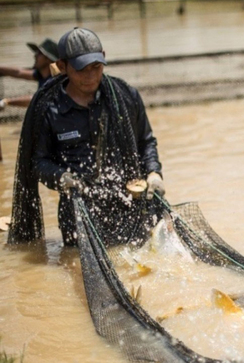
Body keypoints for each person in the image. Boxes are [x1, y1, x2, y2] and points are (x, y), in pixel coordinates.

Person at [8, 27, 165, 246]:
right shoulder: (48, 109)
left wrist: (154, 172)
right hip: (78, 216)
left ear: (104, 57)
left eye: (96, 67)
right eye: (81, 69)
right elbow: (38, 162)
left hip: (129, 205)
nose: (91, 76)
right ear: (62, 66)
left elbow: (145, 141)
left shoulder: (126, 96)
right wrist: (62, 178)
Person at [0, 38, 59, 110]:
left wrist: (6, 101)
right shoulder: (42, 75)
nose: (35, 56)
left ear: (48, 59)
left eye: (39, 54)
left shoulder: (54, 82)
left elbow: (34, 99)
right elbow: (18, 72)